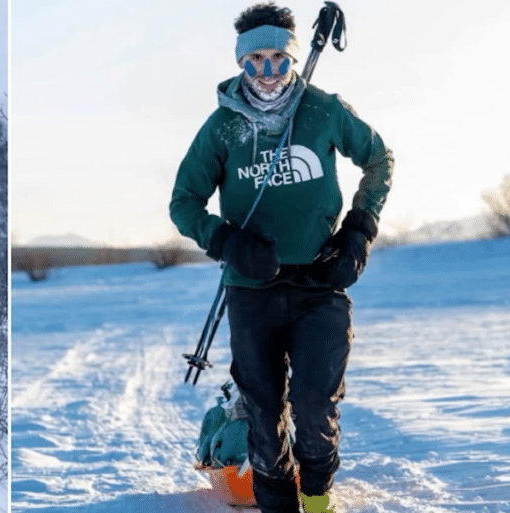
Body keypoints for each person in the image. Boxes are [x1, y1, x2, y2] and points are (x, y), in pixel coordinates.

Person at [169, 3, 393, 512]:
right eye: (256, 60)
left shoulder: (323, 110)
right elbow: (184, 202)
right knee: (263, 418)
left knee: (315, 407)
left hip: (320, 282)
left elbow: (380, 160)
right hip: (252, 289)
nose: (267, 72)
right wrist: (226, 242)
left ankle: (316, 499)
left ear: (292, 58)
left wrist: (358, 231)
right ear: (240, 62)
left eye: (278, 59)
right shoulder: (223, 126)